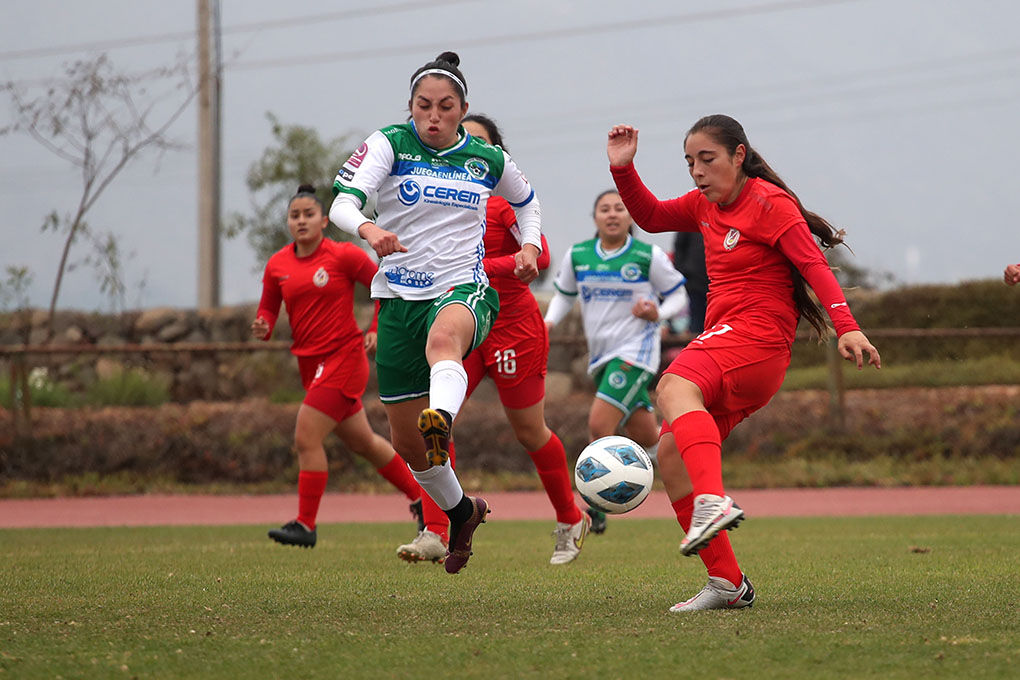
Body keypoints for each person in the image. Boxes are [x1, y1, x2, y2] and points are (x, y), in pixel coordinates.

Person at [606, 115, 881, 612]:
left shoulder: (769, 203)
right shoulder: (704, 206)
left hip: (758, 341)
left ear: (738, 155)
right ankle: (728, 583)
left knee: (672, 386)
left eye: (707, 159)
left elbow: (813, 265)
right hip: (730, 344)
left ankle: (712, 502)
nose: (696, 172)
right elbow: (649, 215)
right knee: (670, 456)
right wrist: (624, 169)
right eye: (689, 162)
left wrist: (848, 326)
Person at [328, 52, 543, 574]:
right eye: (424, 105)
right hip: (399, 299)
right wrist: (369, 230)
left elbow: (527, 201)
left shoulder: (487, 159)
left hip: (463, 288)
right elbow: (341, 202)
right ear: (410, 107)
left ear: (462, 109)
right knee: (405, 442)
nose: (434, 115)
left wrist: (531, 246)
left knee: (444, 344)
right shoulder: (389, 143)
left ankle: (441, 419)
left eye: (446, 107)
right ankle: (462, 512)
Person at [396, 114, 595, 566]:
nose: (466, 148)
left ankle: (570, 516)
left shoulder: (504, 205)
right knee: (435, 424)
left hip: (511, 328)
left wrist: (484, 270)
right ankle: (435, 528)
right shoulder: (436, 206)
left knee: (529, 431)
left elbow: (539, 252)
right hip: (460, 326)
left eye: (479, 142)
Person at [253, 185, 425, 549]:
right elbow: (268, 308)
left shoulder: (343, 255)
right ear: (288, 222)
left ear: (324, 221)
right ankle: (422, 497)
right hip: (310, 364)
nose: (301, 221)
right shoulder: (278, 265)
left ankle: (305, 524)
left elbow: (385, 283)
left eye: (308, 214)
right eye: (295, 216)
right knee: (365, 443)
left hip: (344, 359)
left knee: (306, 436)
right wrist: (263, 324)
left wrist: (376, 327)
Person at [544, 190, 689, 457]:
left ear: (631, 217)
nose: (612, 214)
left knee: (599, 427)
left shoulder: (648, 255)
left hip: (636, 353)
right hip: (601, 355)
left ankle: (601, 496)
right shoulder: (579, 255)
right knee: (646, 436)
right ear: (595, 218)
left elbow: (678, 295)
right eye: (605, 209)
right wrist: (549, 322)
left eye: (619, 209)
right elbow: (564, 296)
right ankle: (689, 457)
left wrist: (657, 312)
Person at [672, 231, 708, 334]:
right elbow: (679, 247)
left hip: (719, 282)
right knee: (696, 326)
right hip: (694, 283)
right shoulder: (692, 220)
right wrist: (683, 274)